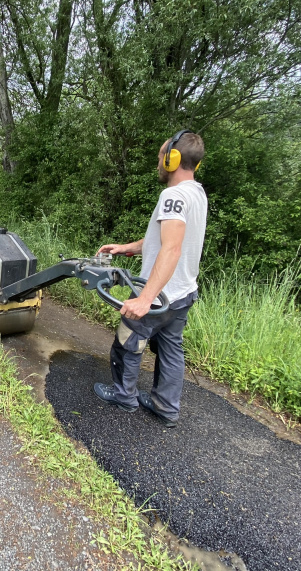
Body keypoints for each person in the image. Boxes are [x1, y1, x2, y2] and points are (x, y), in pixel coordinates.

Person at [93, 130, 207, 428]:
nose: (158, 162)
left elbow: (171, 249)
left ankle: (123, 396)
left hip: (160, 294)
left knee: (128, 340)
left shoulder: (173, 195)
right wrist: (126, 248)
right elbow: (161, 239)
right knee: (171, 349)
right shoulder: (197, 193)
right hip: (183, 292)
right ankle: (165, 407)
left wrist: (145, 298)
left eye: (161, 156)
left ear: (173, 158)